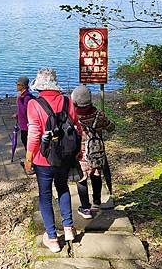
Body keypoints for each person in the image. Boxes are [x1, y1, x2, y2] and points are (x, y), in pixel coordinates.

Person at [24, 68, 80, 253]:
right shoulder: (67, 100)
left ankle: (52, 238)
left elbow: (34, 134)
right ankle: (69, 228)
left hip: (43, 158)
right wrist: (78, 151)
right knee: (63, 188)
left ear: (39, 85)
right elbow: (77, 128)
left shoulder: (34, 104)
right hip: (65, 155)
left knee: (45, 195)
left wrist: (28, 158)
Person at [71, 85, 115, 219]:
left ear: (75, 101)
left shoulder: (74, 117)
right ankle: (97, 202)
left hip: (81, 154)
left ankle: (85, 208)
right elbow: (111, 127)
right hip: (97, 153)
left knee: (82, 179)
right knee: (96, 175)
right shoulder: (98, 115)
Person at [13, 76, 33, 149]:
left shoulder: (27, 97)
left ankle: (29, 157)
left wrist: (18, 100)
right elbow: (21, 110)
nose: (16, 86)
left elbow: (25, 110)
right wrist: (17, 115)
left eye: (18, 84)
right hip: (22, 122)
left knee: (25, 140)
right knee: (24, 139)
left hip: (26, 123)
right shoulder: (22, 95)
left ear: (23, 86)